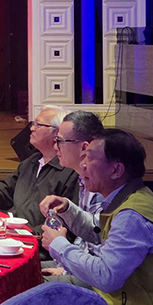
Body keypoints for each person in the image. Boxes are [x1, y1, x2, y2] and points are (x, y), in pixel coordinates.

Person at [41, 130, 153, 305]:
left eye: (90, 158)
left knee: (33, 293)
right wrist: (68, 209)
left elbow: (106, 277)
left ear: (116, 171)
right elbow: (99, 232)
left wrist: (59, 244)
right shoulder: (135, 196)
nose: (82, 164)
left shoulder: (132, 216)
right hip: (129, 294)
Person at [0, 105, 78, 235]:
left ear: (57, 133)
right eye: (33, 124)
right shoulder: (31, 162)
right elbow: (5, 191)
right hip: (11, 230)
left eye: (38, 125)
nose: (32, 128)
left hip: (35, 239)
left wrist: (25, 234)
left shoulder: (70, 172)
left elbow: (65, 224)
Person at [39, 109, 108, 282]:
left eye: (60, 141)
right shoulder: (84, 179)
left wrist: (59, 247)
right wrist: (67, 208)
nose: (55, 147)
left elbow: (102, 264)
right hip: (80, 265)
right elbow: (88, 237)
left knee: (25, 284)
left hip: (98, 281)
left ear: (84, 147)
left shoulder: (104, 186)